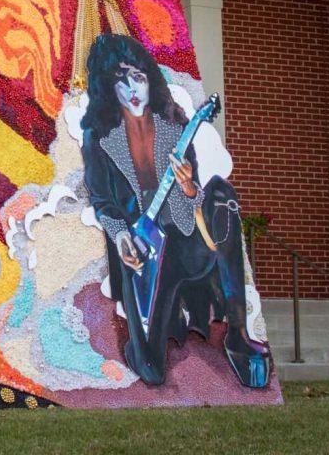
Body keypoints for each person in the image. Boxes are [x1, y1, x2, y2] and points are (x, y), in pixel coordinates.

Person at [81, 33, 272, 389]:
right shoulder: (99, 138)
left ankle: (239, 334)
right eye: (121, 79)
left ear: (149, 80)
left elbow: (193, 210)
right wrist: (122, 235)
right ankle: (149, 339)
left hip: (186, 245)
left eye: (137, 76)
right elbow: (103, 201)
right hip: (146, 258)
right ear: (110, 87)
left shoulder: (176, 129)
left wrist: (188, 188)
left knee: (222, 194)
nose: (132, 86)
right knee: (150, 370)